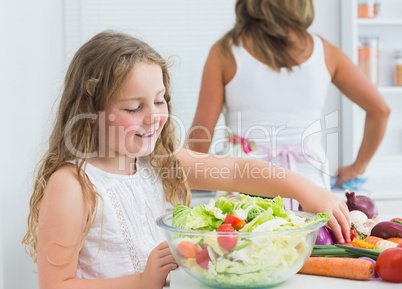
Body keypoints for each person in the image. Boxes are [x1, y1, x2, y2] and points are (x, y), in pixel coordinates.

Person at [22, 30, 350, 289]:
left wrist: (307, 190)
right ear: (88, 110)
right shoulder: (72, 185)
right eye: (134, 108)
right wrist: (140, 282)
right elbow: (56, 285)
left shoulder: (159, 160)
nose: (153, 117)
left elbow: (236, 172)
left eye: (159, 101)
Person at [187, 0, 390, 208]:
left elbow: (200, 137)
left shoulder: (225, 52)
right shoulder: (326, 52)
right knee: (313, 240)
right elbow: (380, 111)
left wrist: (182, 183)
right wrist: (358, 167)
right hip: (310, 189)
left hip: (244, 184)